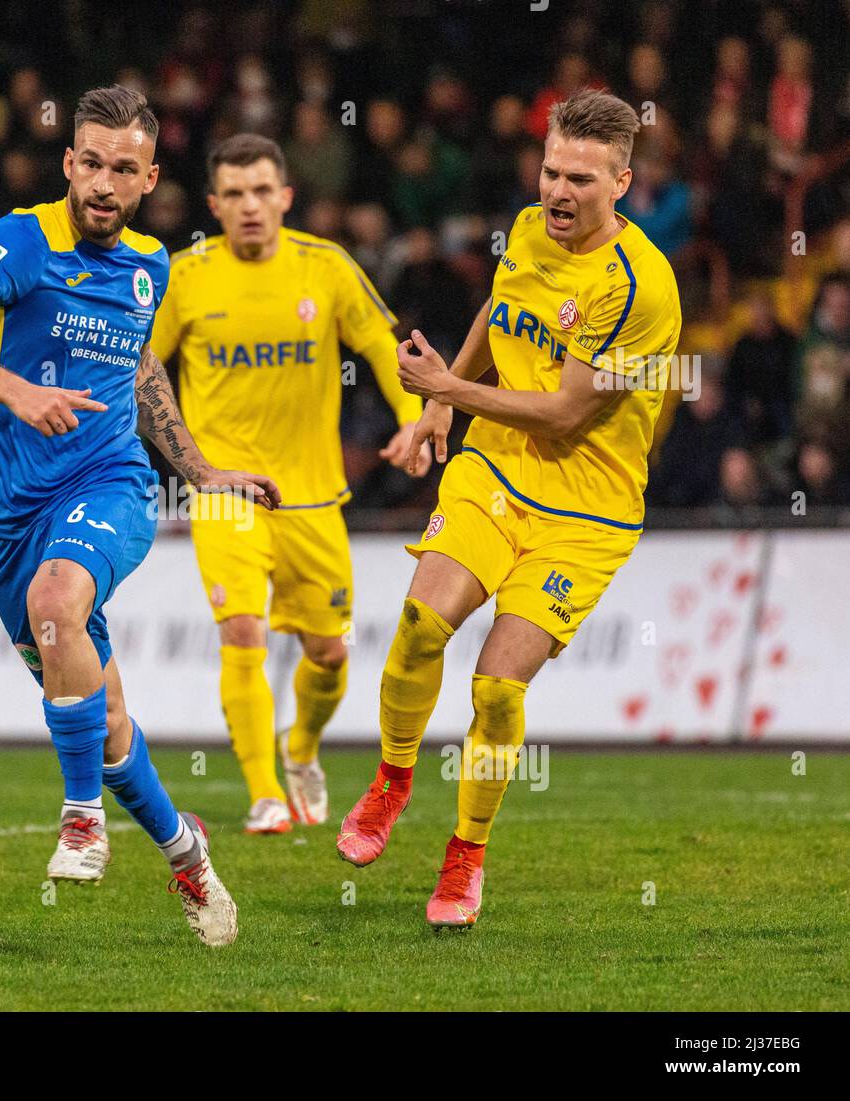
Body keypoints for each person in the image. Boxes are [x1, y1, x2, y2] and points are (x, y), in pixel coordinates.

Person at [0, 86, 279, 947]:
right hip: (3, 515)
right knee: (103, 720)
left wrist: (200, 468)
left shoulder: (151, 264)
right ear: (69, 163)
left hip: (110, 483)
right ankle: (189, 855)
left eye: (124, 169)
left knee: (58, 597)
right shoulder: (22, 240)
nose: (104, 183)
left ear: (150, 179)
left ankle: (79, 821)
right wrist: (15, 390)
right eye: (91, 163)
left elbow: (139, 371)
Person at [337, 89, 682, 929]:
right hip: (494, 470)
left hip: (585, 512)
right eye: (551, 171)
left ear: (624, 183)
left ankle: (465, 856)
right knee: (421, 625)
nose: (559, 192)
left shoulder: (638, 288)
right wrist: (443, 407)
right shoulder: (530, 228)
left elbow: (568, 412)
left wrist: (450, 389)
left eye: (581, 180)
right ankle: (392, 777)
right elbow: (500, 310)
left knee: (495, 686)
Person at [150, 133, 427, 833]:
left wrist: (413, 422)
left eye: (262, 191)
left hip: (312, 496)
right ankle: (264, 792)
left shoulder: (325, 267)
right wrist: (182, 459)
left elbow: (384, 348)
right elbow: (140, 372)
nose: (250, 206)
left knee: (328, 654)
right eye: (235, 194)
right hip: (224, 492)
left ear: (286, 198)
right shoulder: (185, 277)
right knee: (240, 630)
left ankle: (300, 745)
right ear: (214, 204)